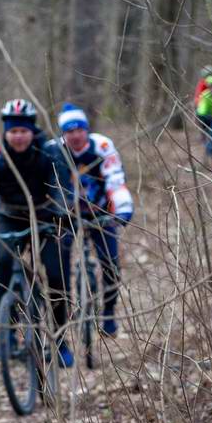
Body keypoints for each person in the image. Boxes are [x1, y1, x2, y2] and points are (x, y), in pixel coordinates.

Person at [0, 99, 75, 366]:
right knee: (2, 266)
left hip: (47, 218)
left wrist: (62, 210)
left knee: (57, 275)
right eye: (13, 131)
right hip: (9, 218)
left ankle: (59, 340)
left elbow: (62, 186)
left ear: (32, 131)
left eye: (24, 131)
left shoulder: (49, 152)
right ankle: (9, 335)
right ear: (6, 132)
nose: (19, 136)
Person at [58, 103, 133, 337]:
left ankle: (108, 313)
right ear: (63, 134)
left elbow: (115, 179)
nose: (75, 135)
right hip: (67, 215)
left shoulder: (102, 146)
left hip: (101, 212)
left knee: (111, 265)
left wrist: (123, 209)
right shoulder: (54, 150)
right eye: (69, 131)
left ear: (86, 130)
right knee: (57, 263)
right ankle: (61, 312)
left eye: (79, 130)